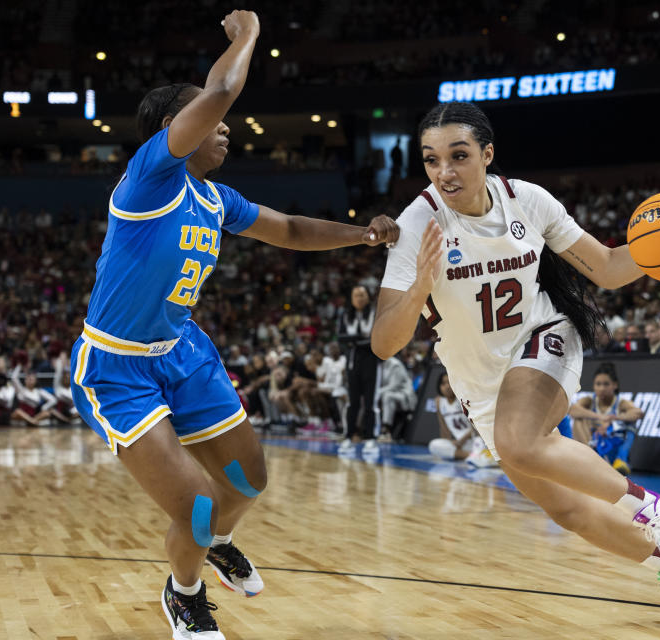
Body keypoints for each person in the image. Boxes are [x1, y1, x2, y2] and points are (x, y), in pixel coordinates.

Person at [67, 12, 399, 639]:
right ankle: (184, 593)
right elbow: (220, 91)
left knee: (248, 480)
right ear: (175, 131)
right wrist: (246, 37)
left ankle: (215, 544)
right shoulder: (148, 177)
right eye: (210, 122)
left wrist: (363, 234)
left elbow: (293, 231)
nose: (225, 128)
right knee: (194, 505)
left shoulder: (218, 201)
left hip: (184, 351)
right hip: (118, 365)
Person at [371, 101, 660, 629]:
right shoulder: (419, 222)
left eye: (458, 156)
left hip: (543, 334)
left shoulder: (526, 200)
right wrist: (419, 283)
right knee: (567, 511)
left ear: (487, 154)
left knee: (519, 439)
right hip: (479, 380)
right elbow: (384, 344)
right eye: (431, 160)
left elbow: (609, 269)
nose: (445, 172)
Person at [575, 364, 645, 476]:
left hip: (613, 448)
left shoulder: (621, 403)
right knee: (579, 419)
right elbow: (572, 409)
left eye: (606, 384)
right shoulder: (589, 400)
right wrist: (600, 418)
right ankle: (588, 457)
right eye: (598, 384)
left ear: (615, 385)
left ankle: (621, 459)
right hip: (595, 446)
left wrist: (613, 419)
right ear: (594, 386)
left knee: (630, 422)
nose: (602, 388)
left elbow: (638, 413)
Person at [337, 285, 382, 451]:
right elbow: (340, 338)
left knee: (371, 403)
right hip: (352, 362)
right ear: (351, 298)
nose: (359, 298)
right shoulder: (345, 315)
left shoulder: (375, 313)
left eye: (362, 295)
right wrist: (358, 339)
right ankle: (348, 436)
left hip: (371, 361)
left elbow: (376, 339)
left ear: (368, 296)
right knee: (352, 402)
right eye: (356, 295)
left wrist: (354, 342)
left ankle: (370, 438)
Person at [428, 372, 494, 466]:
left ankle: (478, 455)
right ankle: (475, 456)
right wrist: (449, 443)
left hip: (475, 440)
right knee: (434, 445)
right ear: (439, 386)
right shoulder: (439, 401)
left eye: (449, 382)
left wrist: (462, 440)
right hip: (461, 445)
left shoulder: (463, 398)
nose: (447, 386)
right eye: (443, 383)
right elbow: (444, 428)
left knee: (479, 441)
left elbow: (476, 425)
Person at [375, 347, 417, 442]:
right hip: (392, 393)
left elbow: (394, 386)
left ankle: (386, 430)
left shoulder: (395, 365)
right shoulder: (378, 365)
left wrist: (376, 392)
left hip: (404, 395)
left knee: (387, 396)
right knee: (383, 397)